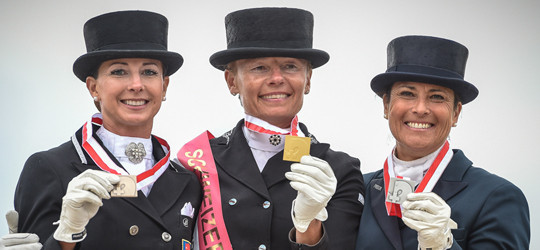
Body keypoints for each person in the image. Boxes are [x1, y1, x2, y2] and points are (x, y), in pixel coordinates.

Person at [4, 10, 202, 250]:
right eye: (119, 71)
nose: (136, 85)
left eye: (149, 72)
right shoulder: (49, 169)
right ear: (93, 87)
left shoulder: (186, 180)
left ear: (164, 86)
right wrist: (65, 236)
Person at [178, 7, 364, 250]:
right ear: (232, 81)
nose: (277, 78)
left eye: (290, 66)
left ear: (307, 80)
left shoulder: (340, 171)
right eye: (259, 68)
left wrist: (309, 223)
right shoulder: (196, 164)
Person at [355, 35, 530, 249]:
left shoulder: (497, 197)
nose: (420, 108)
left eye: (437, 97)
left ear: (455, 113)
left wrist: (443, 245)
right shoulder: (357, 189)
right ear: (386, 105)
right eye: (407, 93)